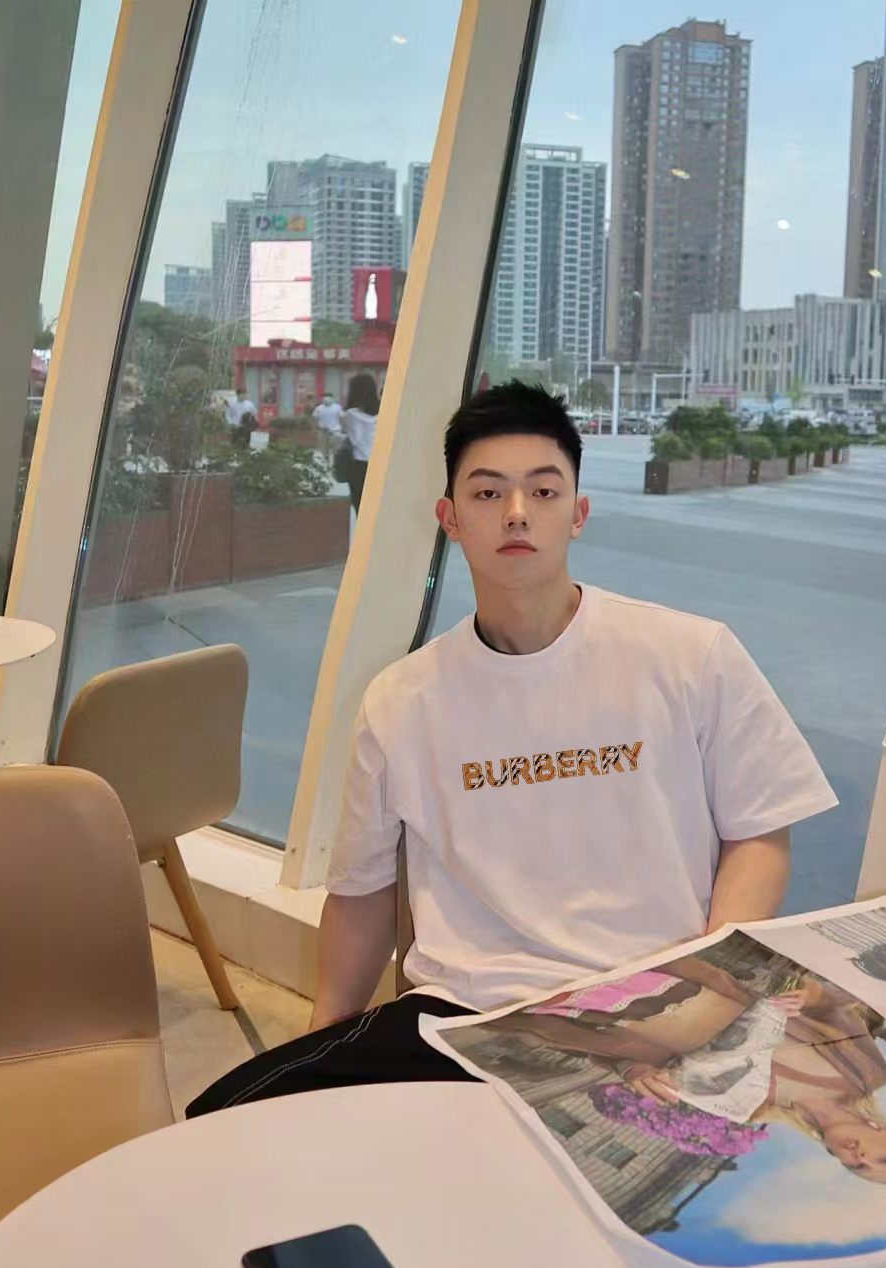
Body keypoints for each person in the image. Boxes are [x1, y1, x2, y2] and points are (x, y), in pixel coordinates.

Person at [187, 381, 837, 1117]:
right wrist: (325, 1039)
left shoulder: (691, 655)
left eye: (544, 491)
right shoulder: (402, 700)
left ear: (577, 513)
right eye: (489, 493)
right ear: (450, 518)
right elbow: (362, 890)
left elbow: (759, 832)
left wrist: (711, 988)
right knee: (221, 1121)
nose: (518, 512)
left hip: (653, 1003)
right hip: (462, 1018)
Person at [492, 958, 886, 1185]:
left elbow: (634, 1066)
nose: (860, 1157)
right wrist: (813, 998)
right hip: (671, 975)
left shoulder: (749, 1112)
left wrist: (634, 1070)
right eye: (882, 1158)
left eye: (858, 1167)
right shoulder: (867, 1071)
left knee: (506, 978)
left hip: (608, 1016)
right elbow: (834, 1010)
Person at [342, 373, 379, 514]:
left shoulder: (351, 415)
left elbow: (355, 440)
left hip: (360, 465)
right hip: (381, 464)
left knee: (362, 509)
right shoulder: (385, 412)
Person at [311, 391, 345, 465]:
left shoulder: (337, 407)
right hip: (323, 432)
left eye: (328, 397)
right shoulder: (319, 408)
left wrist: (343, 429)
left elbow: (342, 418)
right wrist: (315, 429)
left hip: (335, 432)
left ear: (332, 398)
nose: (326, 399)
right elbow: (314, 419)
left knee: (336, 451)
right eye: (324, 397)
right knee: (322, 451)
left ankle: (336, 465)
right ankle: (324, 465)